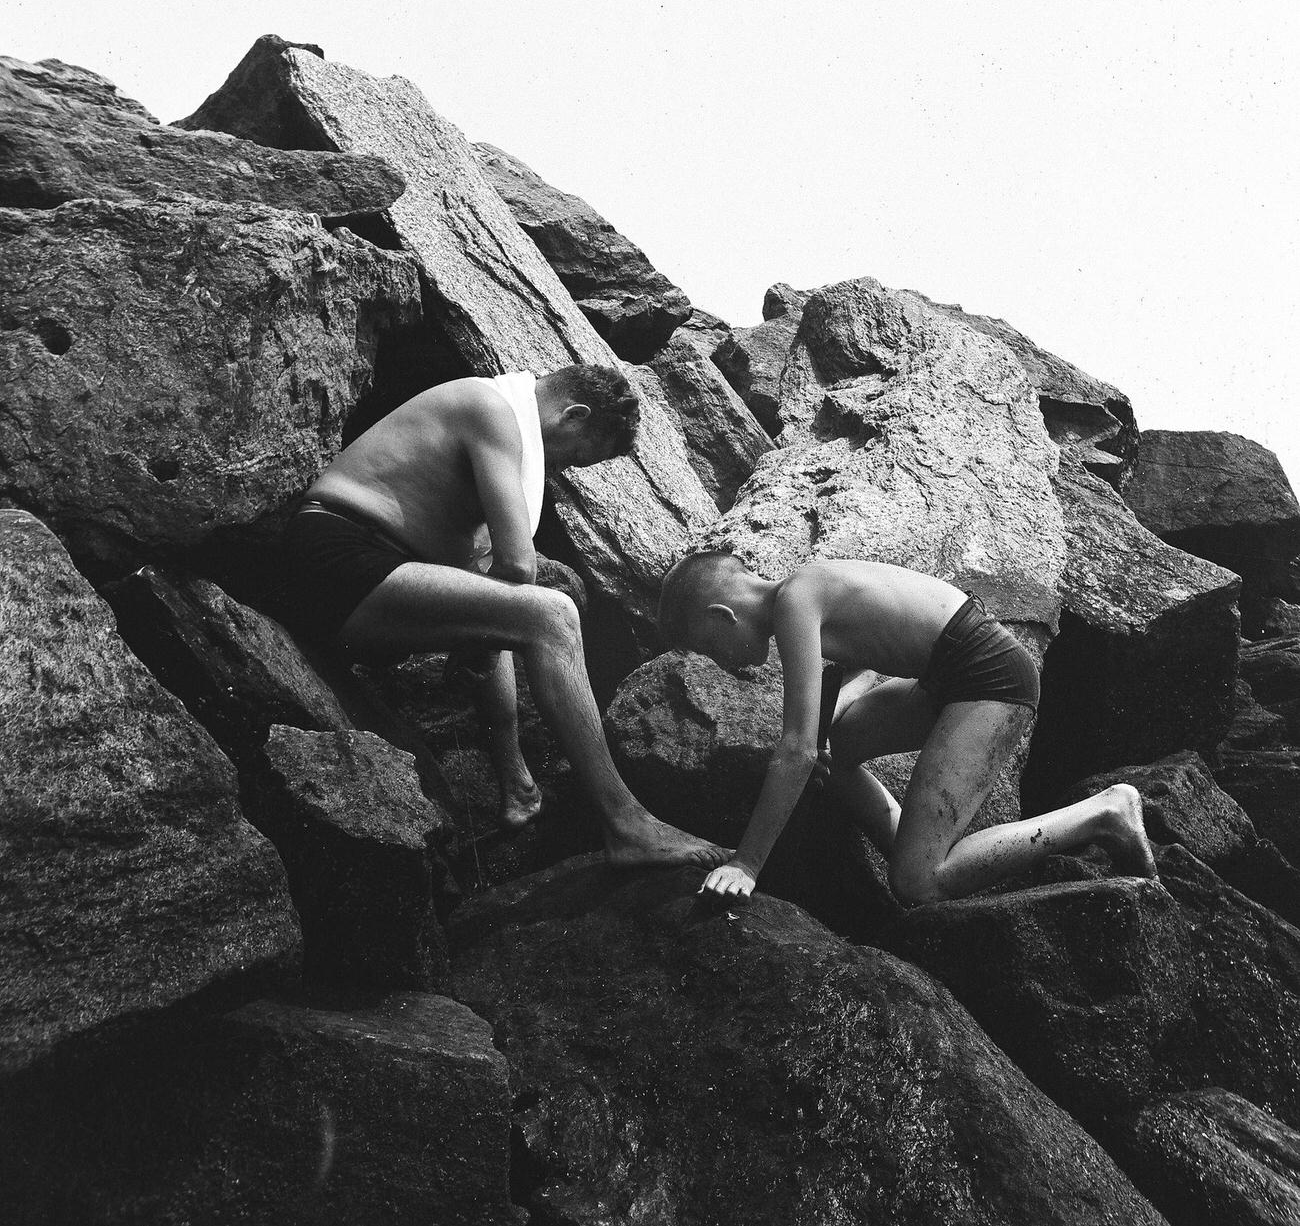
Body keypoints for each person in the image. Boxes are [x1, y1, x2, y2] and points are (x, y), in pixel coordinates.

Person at [282, 363, 728, 868]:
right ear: (573, 416)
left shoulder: (490, 438)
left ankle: (517, 785)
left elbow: (494, 589)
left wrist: (484, 638)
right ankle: (626, 824)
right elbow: (518, 565)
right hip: (335, 556)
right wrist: (489, 633)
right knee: (552, 612)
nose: (560, 471)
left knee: (511, 615)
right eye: (574, 458)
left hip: (370, 578)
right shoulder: (490, 409)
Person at [657, 551, 1157, 903]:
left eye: (708, 648)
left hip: (991, 680)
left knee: (919, 884)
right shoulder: (804, 590)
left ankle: (1104, 812)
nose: (720, 662)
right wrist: (825, 727)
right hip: (943, 678)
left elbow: (796, 751)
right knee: (840, 750)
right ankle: (905, 837)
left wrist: (745, 864)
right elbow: (860, 667)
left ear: (721, 615)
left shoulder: (794, 602)